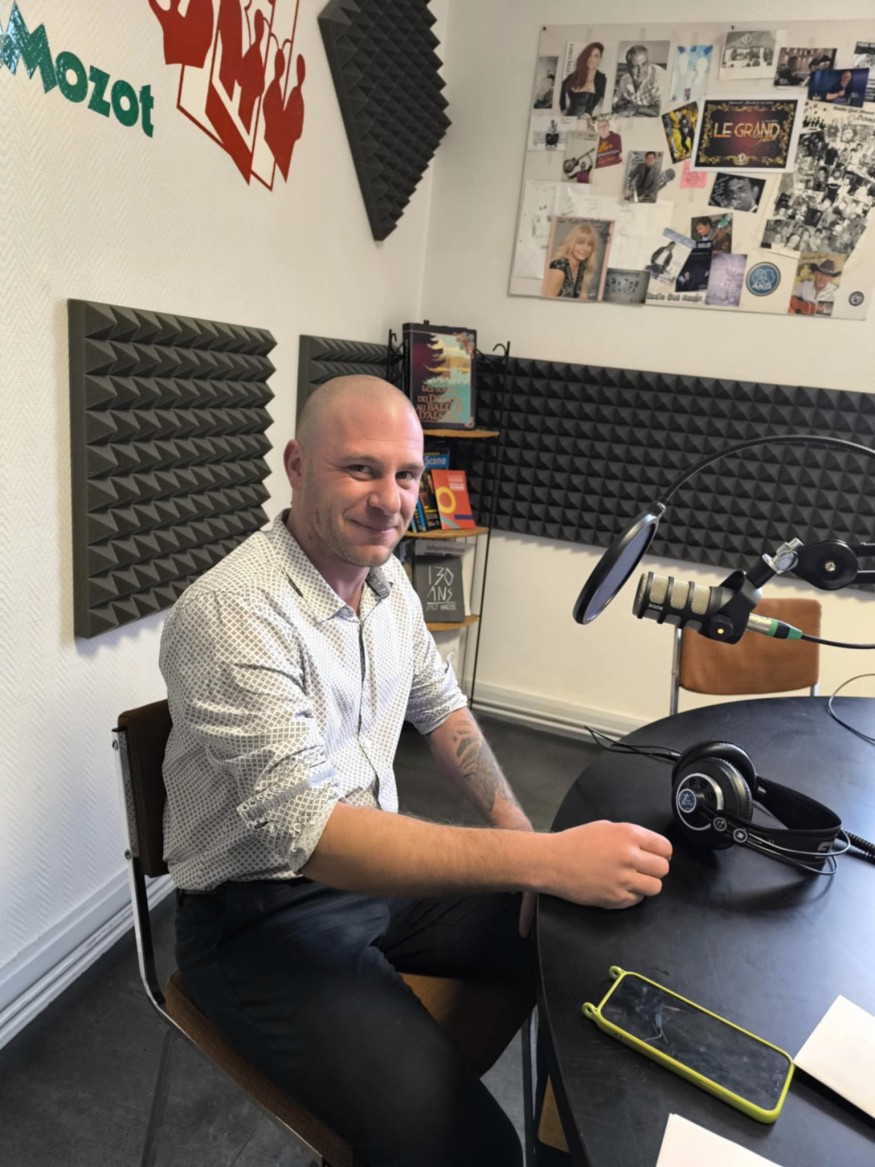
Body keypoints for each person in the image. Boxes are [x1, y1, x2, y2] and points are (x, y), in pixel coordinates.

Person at [160, 376, 672, 1167]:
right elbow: (318, 836)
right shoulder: (231, 612)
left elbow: (442, 708)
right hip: (258, 916)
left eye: (406, 474)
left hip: (375, 879)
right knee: (474, 1152)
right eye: (360, 469)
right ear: (296, 465)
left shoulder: (385, 580)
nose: (390, 500)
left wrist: (516, 830)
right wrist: (541, 858)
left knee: (585, 936)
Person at [544, 223, 600, 298]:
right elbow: (545, 302)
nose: (585, 248)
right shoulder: (558, 267)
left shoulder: (582, 267)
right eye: (580, 243)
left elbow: (582, 300)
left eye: (590, 244)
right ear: (571, 243)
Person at [613, 43, 663, 117]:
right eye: (635, 66)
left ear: (648, 62)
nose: (640, 70)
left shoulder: (659, 77)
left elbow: (661, 111)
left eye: (644, 64)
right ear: (628, 67)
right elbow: (614, 103)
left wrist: (635, 108)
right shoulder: (624, 80)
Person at [560, 41, 606, 117]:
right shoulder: (573, 77)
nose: (591, 59)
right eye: (589, 55)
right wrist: (563, 108)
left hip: (586, 122)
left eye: (596, 56)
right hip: (568, 120)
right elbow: (561, 89)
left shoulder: (602, 80)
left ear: (600, 59)